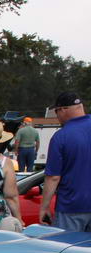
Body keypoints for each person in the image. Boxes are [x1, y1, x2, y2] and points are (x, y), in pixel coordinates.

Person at [41, 92, 91, 231]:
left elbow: (53, 177)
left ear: (63, 109)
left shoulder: (61, 137)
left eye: (56, 112)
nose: (57, 116)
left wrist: (44, 207)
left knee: (66, 250)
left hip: (71, 207)